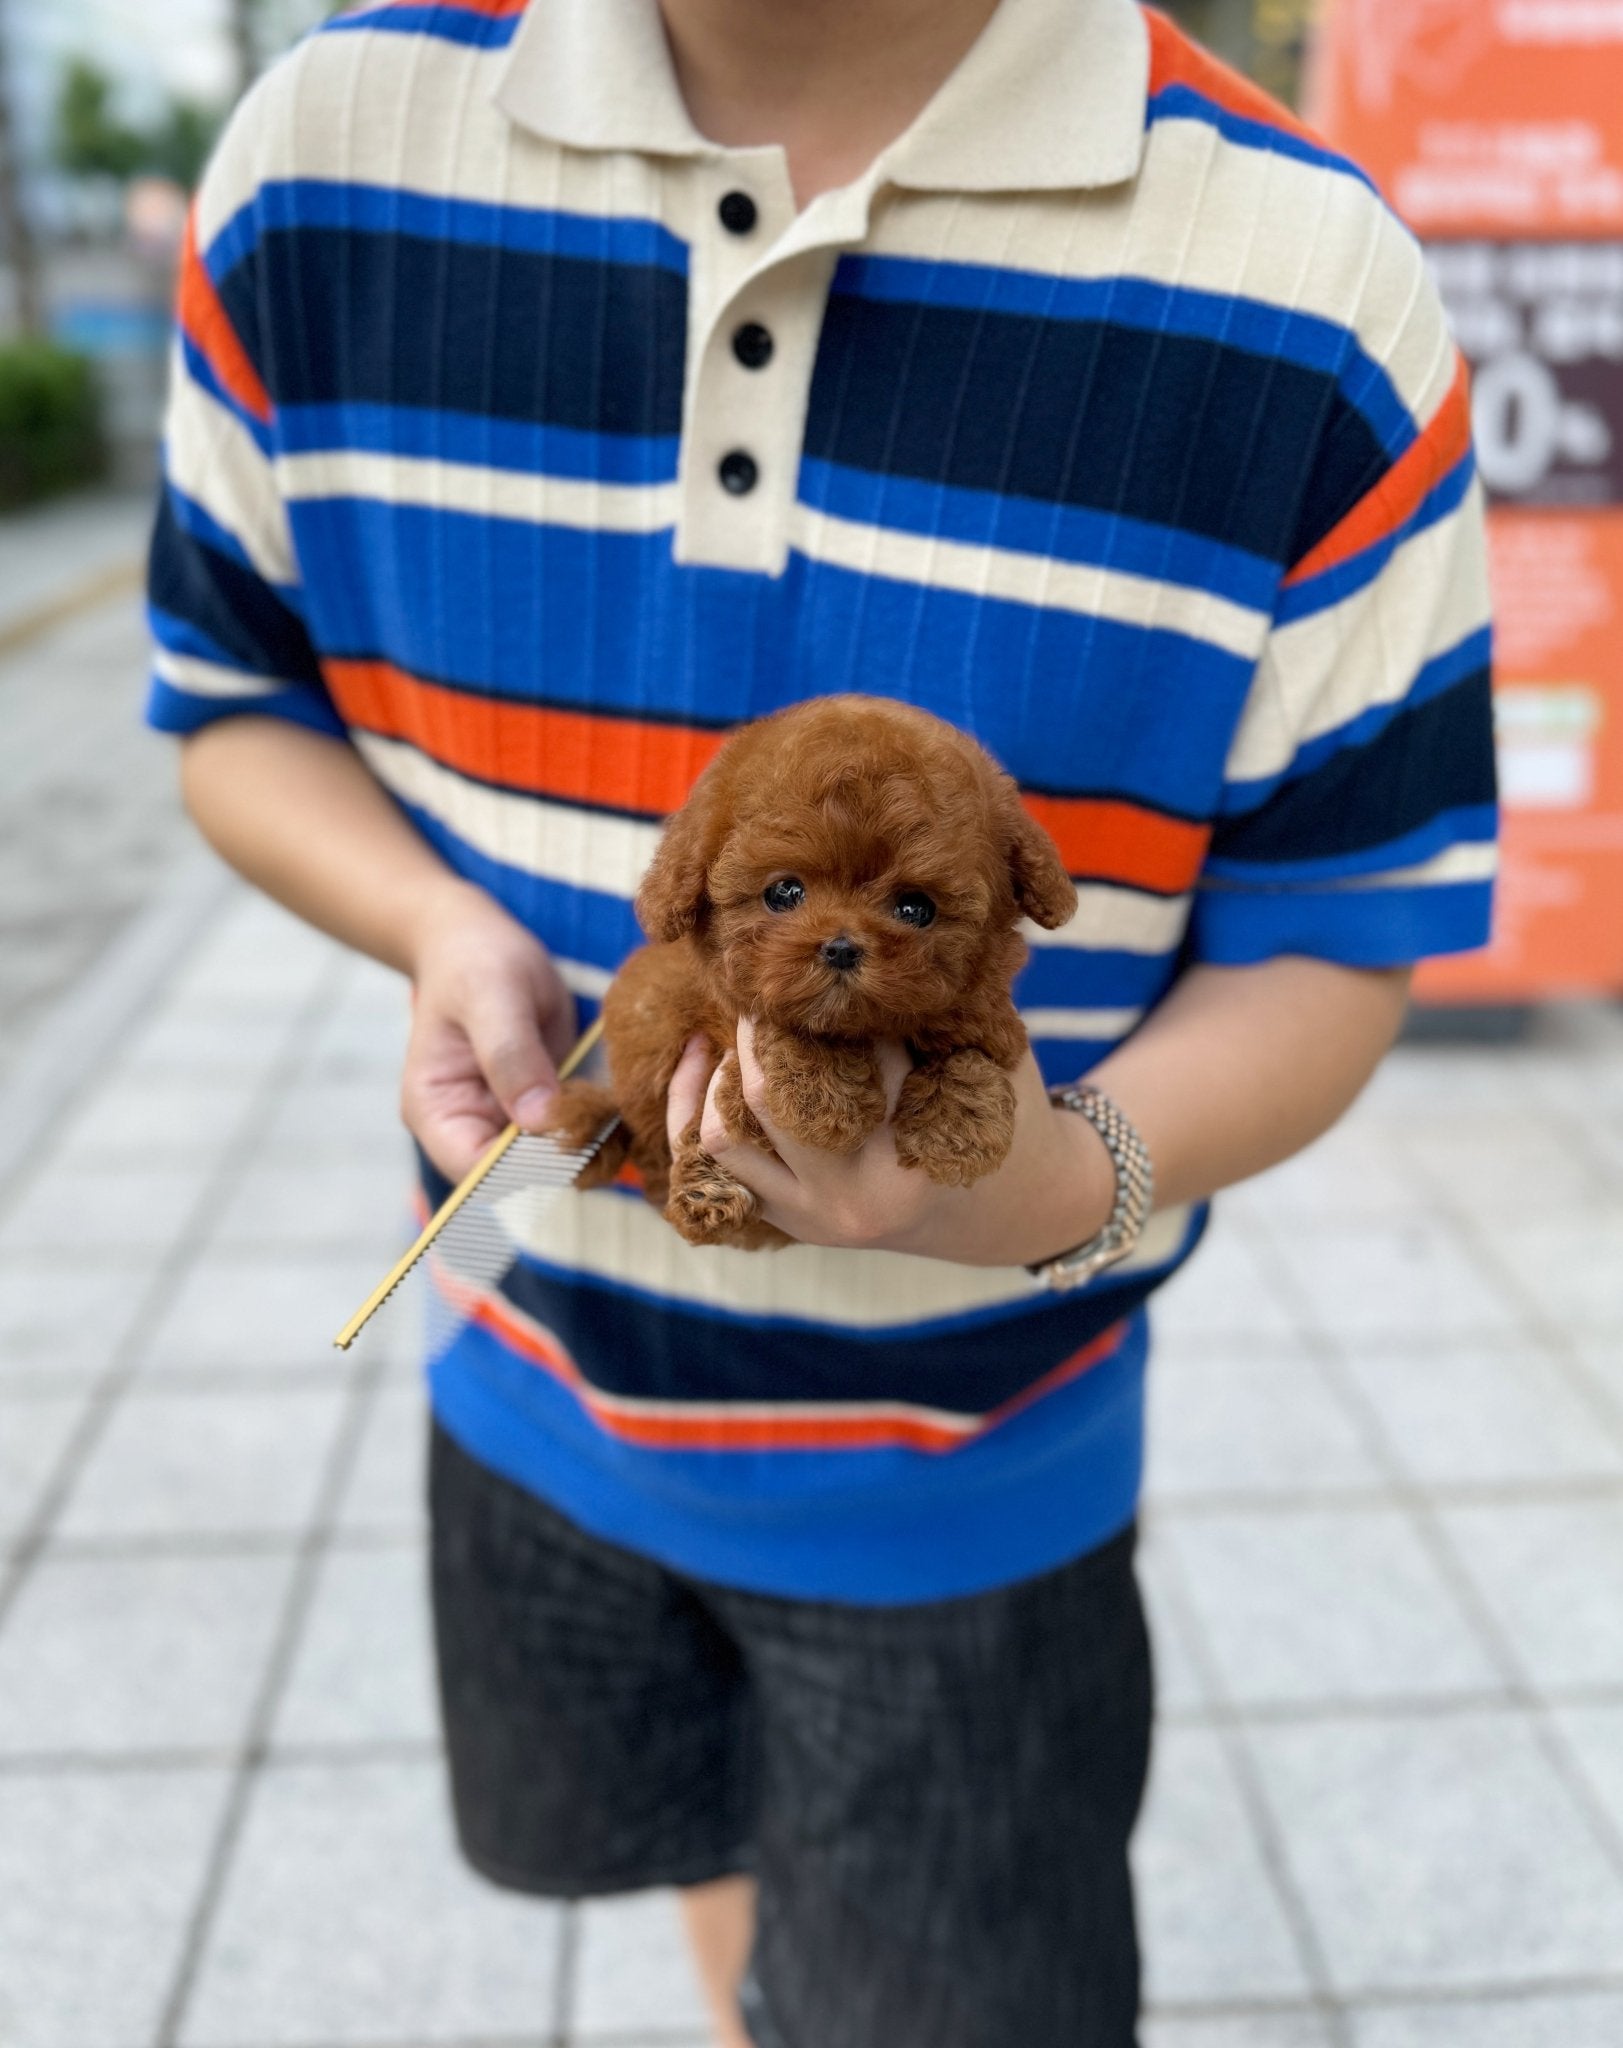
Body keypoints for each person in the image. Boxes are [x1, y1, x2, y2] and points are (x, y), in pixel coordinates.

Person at [148, 0, 1496, 2041]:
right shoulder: (323, 155)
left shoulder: (1302, 284)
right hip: (522, 1367)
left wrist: (1058, 1171)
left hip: (975, 1457)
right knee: (712, 1883)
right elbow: (230, 693)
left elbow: (1335, 922)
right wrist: (438, 926)